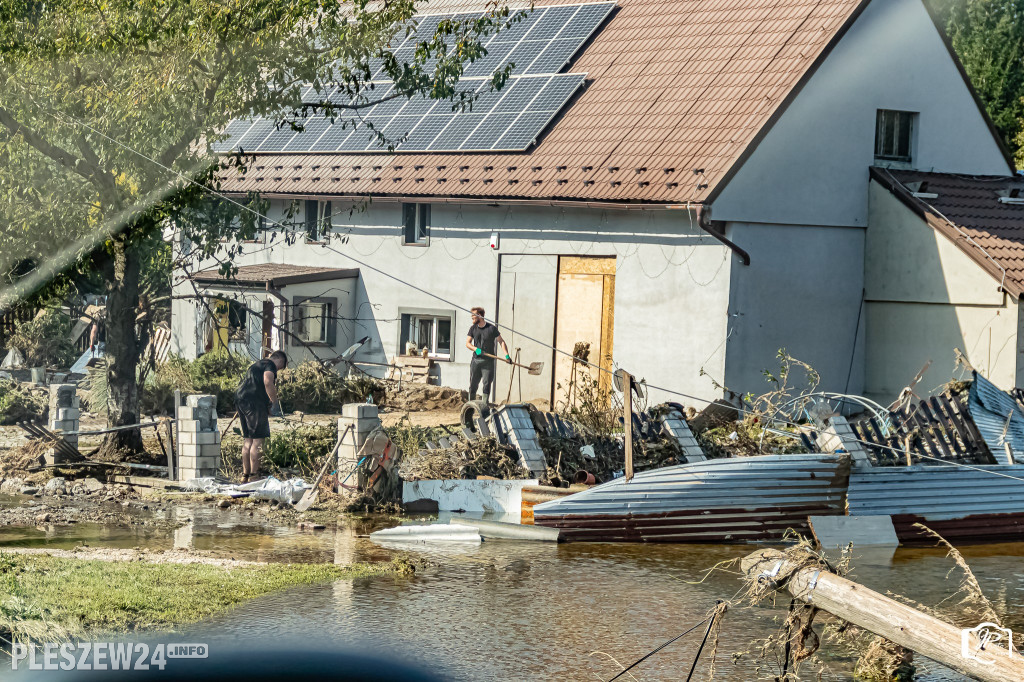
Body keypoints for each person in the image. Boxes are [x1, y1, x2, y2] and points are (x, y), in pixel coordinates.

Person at [234, 350, 288, 483]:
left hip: (241, 399)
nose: (278, 370)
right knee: (258, 441)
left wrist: (266, 404)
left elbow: (255, 385)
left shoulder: (256, 365)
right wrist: (275, 402)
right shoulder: (270, 364)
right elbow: (268, 382)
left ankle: (245, 475)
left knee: (248, 440)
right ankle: (254, 475)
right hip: (254, 403)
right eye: (281, 367)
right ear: (280, 360)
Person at [464, 307, 511, 401]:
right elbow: (467, 343)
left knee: (486, 385)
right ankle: (470, 409)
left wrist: (506, 355)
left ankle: (484, 406)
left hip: (488, 362)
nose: (472, 317)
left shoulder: (491, 328)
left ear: (480, 315)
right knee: (473, 385)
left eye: (474, 315)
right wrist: (475, 349)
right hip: (476, 361)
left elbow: (501, 341)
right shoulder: (472, 328)